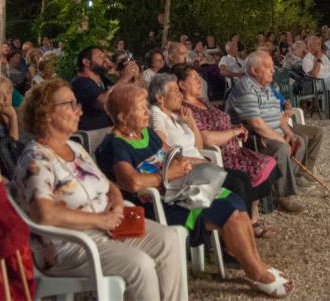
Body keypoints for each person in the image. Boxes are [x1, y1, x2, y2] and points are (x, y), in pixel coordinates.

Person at [95, 84, 294, 297]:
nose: (147, 112)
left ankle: (257, 264)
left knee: (234, 200)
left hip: (179, 191)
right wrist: (169, 174)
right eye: (141, 108)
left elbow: (172, 155)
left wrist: (192, 163)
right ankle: (256, 272)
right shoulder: (115, 145)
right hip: (157, 206)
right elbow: (132, 183)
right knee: (229, 211)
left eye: (146, 106)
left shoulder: (146, 134)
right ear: (123, 117)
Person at [11, 80, 186, 301]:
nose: (79, 110)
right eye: (70, 104)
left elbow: (108, 184)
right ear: (46, 114)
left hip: (106, 229)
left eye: (77, 104)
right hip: (70, 245)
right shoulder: (36, 159)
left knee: (168, 239)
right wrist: (99, 220)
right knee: (139, 265)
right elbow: (45, 214)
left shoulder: (74, 147)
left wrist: (117, 203)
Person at [172, 65, 279, 237]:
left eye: (199, 78)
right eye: (194, 78)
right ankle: (247, 225)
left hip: (233, 147)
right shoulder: (186, 109)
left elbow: (221, 123)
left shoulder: (203, 101)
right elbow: (206, 139)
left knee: (269, 164)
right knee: (253, 171)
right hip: (221, 155)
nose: (199, 82)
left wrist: (237, 129)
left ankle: (252, 217)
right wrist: (233, 132)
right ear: (182, 84)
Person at [230, 51, 312, 214]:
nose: (272, 70)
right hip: (251, 138)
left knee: (298, 140)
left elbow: (277, 116)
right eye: (267, 67)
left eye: (272, 67)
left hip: (269, 133)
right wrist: (281, 140)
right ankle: (284, 196)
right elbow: (256, 124)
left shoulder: (266, 87)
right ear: (254, 70)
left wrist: (288, 133)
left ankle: (284, 182)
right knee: (282, 148)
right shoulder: (246, 88)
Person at [69, 46, 111, 130]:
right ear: (86, 62)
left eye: (105, 57)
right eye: (100, 57)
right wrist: (124, 78)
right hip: (91, 136)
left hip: (105, 132)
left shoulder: (103, 79)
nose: (105, 60)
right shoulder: (80, 82)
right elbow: (104, 102)